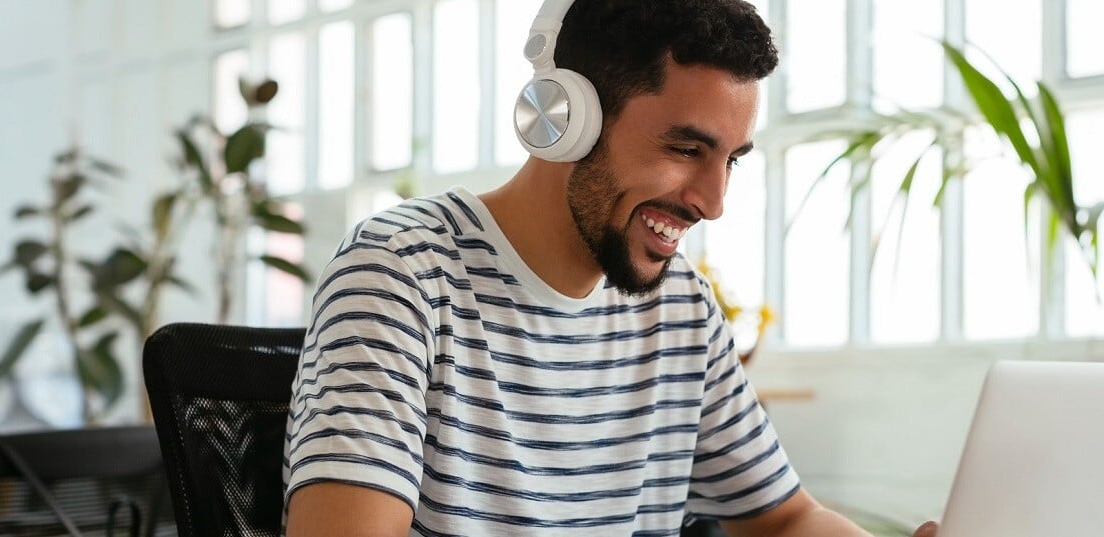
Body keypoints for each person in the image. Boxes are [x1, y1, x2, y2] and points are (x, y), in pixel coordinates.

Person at [282, 1, 938, 535]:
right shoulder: (402, 276)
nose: (712, 202)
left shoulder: (678, 305)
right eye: (686, 148)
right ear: (563, 120)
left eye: (731, 159)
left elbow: (786, 520)